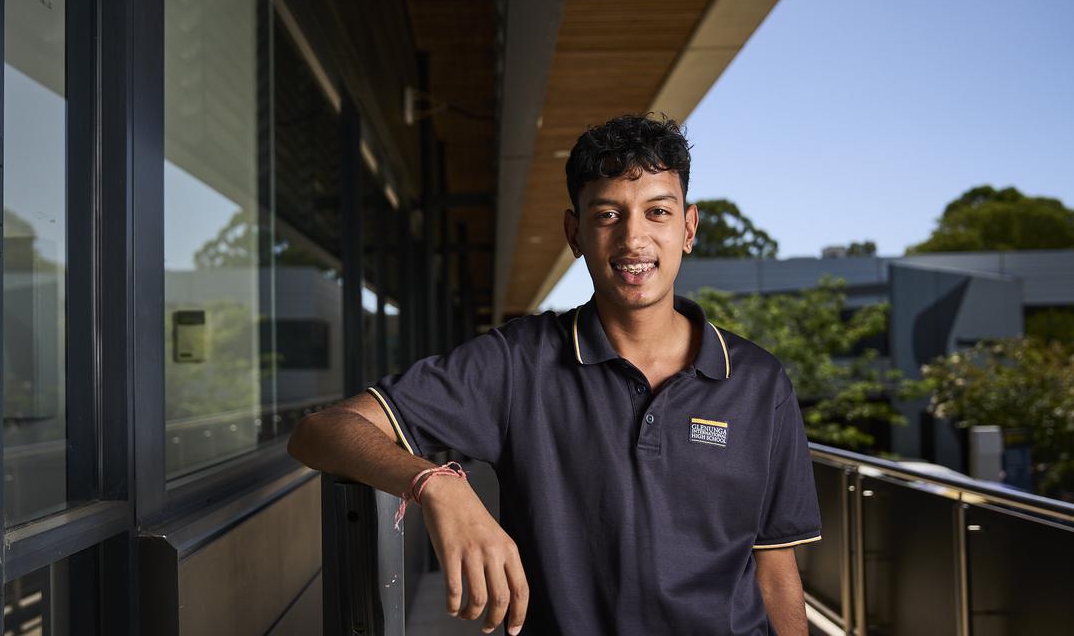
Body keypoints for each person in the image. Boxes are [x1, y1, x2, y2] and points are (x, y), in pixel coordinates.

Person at [289, 114, 821, 635]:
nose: (634, 240)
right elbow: (321, 431)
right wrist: (436, 484)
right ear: (574, 233)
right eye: (608, 215)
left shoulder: (758, 382)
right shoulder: (518, 362)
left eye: (657, 212)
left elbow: (776, 574)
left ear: (687, 228)